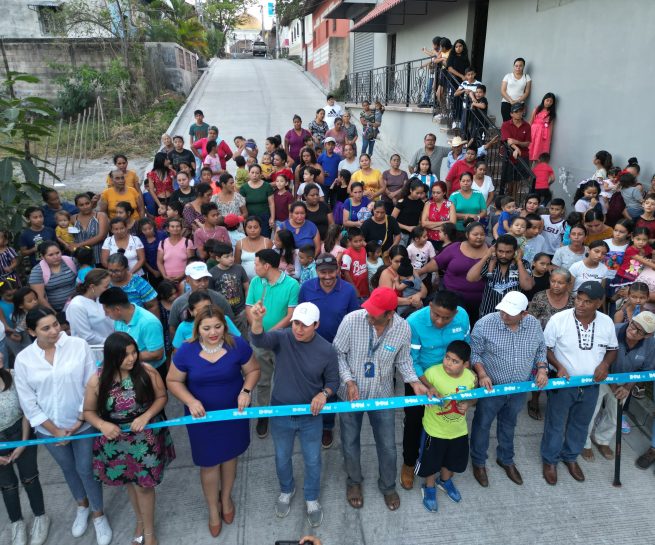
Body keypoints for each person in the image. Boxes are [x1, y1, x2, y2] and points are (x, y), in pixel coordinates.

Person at [14, 307, 112, 545]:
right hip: (48, 430)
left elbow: (91, 384)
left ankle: (98, 514)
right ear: (32, 332)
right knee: (68, 469)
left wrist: (80, 419)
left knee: (86, 469)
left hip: (83, 424)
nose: (54, 331)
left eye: (56, 324)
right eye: (46, 328)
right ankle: (82, 505)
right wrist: (55, 431)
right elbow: (28, 402)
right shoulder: (24, 359)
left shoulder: (78, 346)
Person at [333, 287, 428, 512]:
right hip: (350, 394)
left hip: (382, 394)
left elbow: (403, 360)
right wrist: (349, 381)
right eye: (368, 309)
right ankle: (354, 482)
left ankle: (387, 485)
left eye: (375, 313)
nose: (368, 315)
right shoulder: (351, 320)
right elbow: (338, 354)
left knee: (387, 445)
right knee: (349, 441)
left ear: (390, 314)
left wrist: (414, 382)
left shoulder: (402, 328)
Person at [167, 305, 259, 538]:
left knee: (230, 458)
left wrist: (246, 391)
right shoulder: (186, 350)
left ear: (224, 326)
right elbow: (173, 381)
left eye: (217, 326)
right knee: (208, 464)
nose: (213, 332)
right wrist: (190, 401)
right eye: (206, 328)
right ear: (197, 328)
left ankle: (225, 499)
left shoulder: (237, 344)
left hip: (232, 415)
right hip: (202, 419)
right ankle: (212, 509)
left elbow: (253, 370)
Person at [250, 301, 338, 527]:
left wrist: (324, 394)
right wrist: (257, 321)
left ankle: (312, 498)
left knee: (313, 459)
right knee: (281, 457)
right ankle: (286, 490)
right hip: (281, 413)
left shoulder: (327, 349)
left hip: (311, 416)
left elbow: (333, 381)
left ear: (316, 325)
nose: (298, 329)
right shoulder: (283, 337)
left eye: (305, 325)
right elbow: (259, 340)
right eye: (296, 323)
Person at [83, 332, 174, 545]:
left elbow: (162, 397)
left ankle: (149, 533)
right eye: (125, 355)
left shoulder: (147, 372)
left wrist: (146, 416)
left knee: (144, 486)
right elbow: (88, 411)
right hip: (116, 440)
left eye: (134, 352)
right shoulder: (97, 379)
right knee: (130, 483)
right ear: (112, 356)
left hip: (144, 439)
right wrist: (102, 425)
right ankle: (140, 521)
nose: (132, 358)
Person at [541, 281, 618, 485]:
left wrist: (605, 364)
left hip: (591, 385)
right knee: (555, 424)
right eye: (578, 299)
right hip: (563, 384)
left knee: (581, 424)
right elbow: (545, 348)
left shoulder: (606, 322)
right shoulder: (559, 319)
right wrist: (558, 366)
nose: (580, 304)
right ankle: (550, 460)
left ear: (599, 303)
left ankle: (571, 457)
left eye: (587, 301)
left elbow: (613, 349)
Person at [469, 291, 547, 487]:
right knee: (482, 424)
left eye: (510, 313)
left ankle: (506, 458)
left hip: (519, 389)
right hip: (492, 388)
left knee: (509, 423)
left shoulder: (533, 325)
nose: (504, 315)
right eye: (502, 310)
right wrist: (482, 374)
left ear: (524, 314)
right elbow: (475, 353)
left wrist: (542, 369)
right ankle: (479, 461)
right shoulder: (485, 323)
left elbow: (541, 349)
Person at [400, 290, 470, 489]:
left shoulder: (463, 317)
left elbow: (466, 347)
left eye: (446, 318)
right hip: (421, 380)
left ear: (455, 314)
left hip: (452, 379)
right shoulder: (414, 322)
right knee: (414, 422)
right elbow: (412, 361)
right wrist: (428, 386)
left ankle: (442, 462)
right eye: (436, 315)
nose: (440, 321)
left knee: (448, 419)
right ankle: (409, 463)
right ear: (430, 306)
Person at [583, 312, 655, 462]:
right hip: (599, 376)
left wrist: (628, 387)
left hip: (625, 382)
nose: (633, 330)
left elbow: (644, 370)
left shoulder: (651, 344)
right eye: (633, 324)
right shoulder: (612, 330)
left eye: (639, 331)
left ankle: (602, 440)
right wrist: (613, 385)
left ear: (648, 335)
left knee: (615, 414)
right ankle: (584, 442)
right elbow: (597, 357)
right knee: (590, 410)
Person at [245, 249, 300, 439]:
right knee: (262, 380)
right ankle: (264, 414)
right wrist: (257, 329)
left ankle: (287, 412)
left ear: (267, 266)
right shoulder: (255, 282)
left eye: (256, 264)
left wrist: (269, 334)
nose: (254, 267)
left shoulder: (292, 285)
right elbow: (249, 307)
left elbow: (291, 315)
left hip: (282, 341)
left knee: (285, 379)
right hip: (258, 342)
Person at [417, 340, 476, 512]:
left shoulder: (470, 377)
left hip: (458, 431)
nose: (448, 363)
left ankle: (444, 481)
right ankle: (429, 487)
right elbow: (421, 393)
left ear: (465, 364)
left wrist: (469, 403)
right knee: (430, 462)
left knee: (451, 460)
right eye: (447, 358)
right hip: (434, 431)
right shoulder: (432, 373)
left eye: (455, 361)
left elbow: (475, 397)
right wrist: (428, 394)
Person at [0, 353, 50, 545]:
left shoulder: (14, 376)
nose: (1, 354)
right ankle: (17, 523)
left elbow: (27, 410)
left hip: (21, 432)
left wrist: (23, 442)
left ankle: (41, 517)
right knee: (7, 486)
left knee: (30, 478)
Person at [99, 287, 166, 375]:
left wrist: (123, 356)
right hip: (129, 369)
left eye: (107, 311)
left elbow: (157, 354)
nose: (106, 315)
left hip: (151, 372)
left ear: (117, 309)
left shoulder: (149, 323)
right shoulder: (118, 318)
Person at [467, 234, 534, 317]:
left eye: (508, 252)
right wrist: (486, 256)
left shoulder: (523, 264)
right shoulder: (489, 262)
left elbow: (527, 286)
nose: (504, 255)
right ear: (495, 250)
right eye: (500, 251)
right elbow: (471, 278)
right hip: (488, 313)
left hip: (512, 315)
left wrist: (519, 261)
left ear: (515, 251)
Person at [434, 221, 488, 323]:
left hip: (481, 301)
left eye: (482, 234)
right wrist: (419, 271)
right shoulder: (455, 247)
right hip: (453, 299)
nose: (479, 237)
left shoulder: (491, 251)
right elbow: (437, 262)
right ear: (467, 235)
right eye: (475, 234)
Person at [168, 262, 236, 335]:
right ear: (187, 280)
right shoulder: (178, 303)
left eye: (206, 279)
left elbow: (230, 324)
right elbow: (173, 329)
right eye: (198, 280)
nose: (203, 284)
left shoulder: (219, 299)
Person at [65, 269, 114, 345]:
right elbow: (87, 337)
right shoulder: (76, 306)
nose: (109, 289)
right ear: (92, 287)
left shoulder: (101, 297)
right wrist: (112, 343)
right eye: (106, 287)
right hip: (92, 349)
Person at [28, 241, 77, 313]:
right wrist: (55, 314)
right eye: (51, 255)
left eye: (58, 253)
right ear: (42, 257)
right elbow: (40, 298)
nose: (56, 257)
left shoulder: (71, 261)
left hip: (77, 305)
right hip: (56, 310)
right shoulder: (37, 271)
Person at [500, 102, 531, 195]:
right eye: (516, 111)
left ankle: (513, 197)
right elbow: (508, 140)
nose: (519, 113)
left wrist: (517, 142)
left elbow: (527, 143)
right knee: (509, 179)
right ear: (511, 114)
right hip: (509, 154)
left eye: (520, 111)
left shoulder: (527, 126)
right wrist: (517, 149)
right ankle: (508, 196)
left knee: (518, 179)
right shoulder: (505, 125)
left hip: (522, 155)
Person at [70, 193, 109, 265]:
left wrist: (79, 245)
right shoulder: (73, 218)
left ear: (91, 203)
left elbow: (102, 236)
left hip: (98, 256)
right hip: (80, 258)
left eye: (87, 203)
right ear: (76, 206)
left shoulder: (100, 216)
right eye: (81, 205)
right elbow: (68, 235)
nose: (85, 207)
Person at [240, 164, 275, 237]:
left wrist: (272, 218)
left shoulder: (267, 186)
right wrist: (244, 219)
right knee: (251, 238)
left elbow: (271, 203)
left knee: (265, 238)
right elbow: (242, 205)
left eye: (257, 173)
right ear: (249, 173)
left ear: (261, 174)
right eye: (252, 172)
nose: (254, 175)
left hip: (264, 217)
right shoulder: (244, 188)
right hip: (250, 218)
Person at [421, 180, 456, 249]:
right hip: (430, 239)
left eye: (438, 193)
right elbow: (424, 224)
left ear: (444, 192)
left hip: (446, 240)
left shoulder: (450, 204)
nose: (435, 195)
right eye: (433, 192)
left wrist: (432, 226)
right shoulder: (428, 204)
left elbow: (452, 224)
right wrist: (445, 222)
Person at [500, 57, 532, 122]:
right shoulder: (508, 76)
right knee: (506, 123)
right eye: (516, 66)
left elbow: (527, 92)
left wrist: (518, 101)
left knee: (517, 123)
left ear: (523, 66)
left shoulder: (527, 77)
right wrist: (510, 100)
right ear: (514, 66)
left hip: (519, 104)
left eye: (520, 66)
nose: (518, 67)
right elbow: (503, 90)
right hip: (506, 103)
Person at [529, 93, 556, 162]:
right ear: (544, 100)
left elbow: (551, 128)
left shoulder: (551, 114)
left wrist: (549, 140)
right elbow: (530, 121)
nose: (548, 103)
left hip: (543, 135)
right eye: (547, 100)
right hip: (534, 132)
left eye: (551, 102)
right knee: (530, 150)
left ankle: (535, 167)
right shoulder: (537, 109)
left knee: (539, 154)